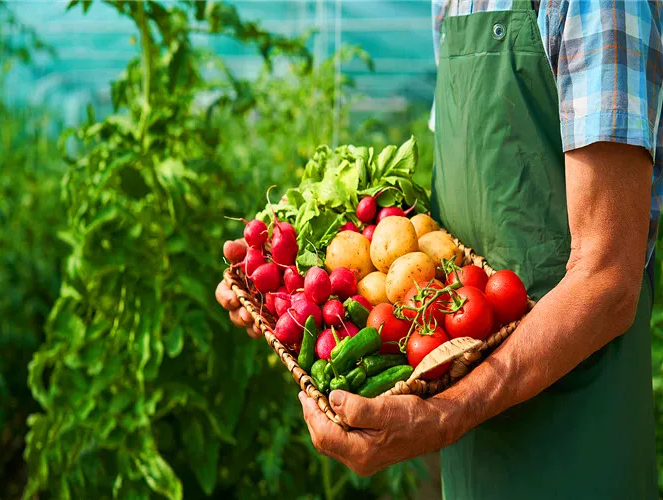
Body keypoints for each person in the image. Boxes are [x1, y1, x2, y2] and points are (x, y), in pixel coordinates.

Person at [215, 0, 663, 497]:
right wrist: (289, 290)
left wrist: (443, 417)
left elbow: (607, 280)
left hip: (577, 431)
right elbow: (464, 209)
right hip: (472, 422)